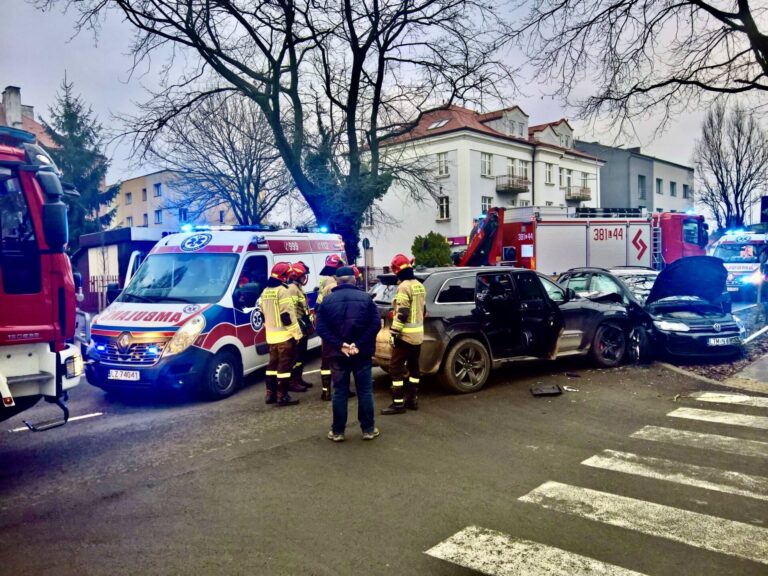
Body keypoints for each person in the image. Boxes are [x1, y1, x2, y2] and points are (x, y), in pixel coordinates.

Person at [315, 266, 381, 442]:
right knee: (365, 391)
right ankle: (368, 429)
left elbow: (320, 328)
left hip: (337, 355)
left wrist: (340, 345)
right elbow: (375, 325)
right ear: (354, 280)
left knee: (340, 392)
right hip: (362, 353)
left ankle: (338, 432)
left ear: (337, 281)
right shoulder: (366, 299)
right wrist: (358, 344)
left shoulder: (326, 302)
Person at [382, 254, 426, 415]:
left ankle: (398, 403)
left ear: (397, 271)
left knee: (395, 367)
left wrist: (393, 332)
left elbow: (402, 313)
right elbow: (424, 310)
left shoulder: (403, 287)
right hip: (418, 335)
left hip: (405, 336)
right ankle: (412, 399)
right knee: (414, 367)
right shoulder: (419, 285)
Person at [259, 262, 303, 407]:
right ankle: (282, 396)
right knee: (284, 367)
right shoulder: (282, 291)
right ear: (283, 276)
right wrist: (297, 335)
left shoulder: (265, 291)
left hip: (271, 337)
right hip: (284, 337)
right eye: (287, 275)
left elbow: (262, 313)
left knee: (272, 366)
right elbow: (287, 316)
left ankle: (269, 394)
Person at [316, 253, 347, 401]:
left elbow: (318, 307)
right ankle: (342, 390)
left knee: (325, 360)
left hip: (327, 330)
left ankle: (325, 391)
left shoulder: (325, 286)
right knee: (340, 361)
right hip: (339, 330)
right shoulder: (338, 286)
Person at [286, 260, 313, 392]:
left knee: (302, 355)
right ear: (296, 276)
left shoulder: (298, 288)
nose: (304, 278)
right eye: (303, 275)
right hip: (297, 326)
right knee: (295, 356)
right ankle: (292, 381)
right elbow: (291, 311)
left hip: (302, 324)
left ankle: (298, 378)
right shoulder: (292, 289)